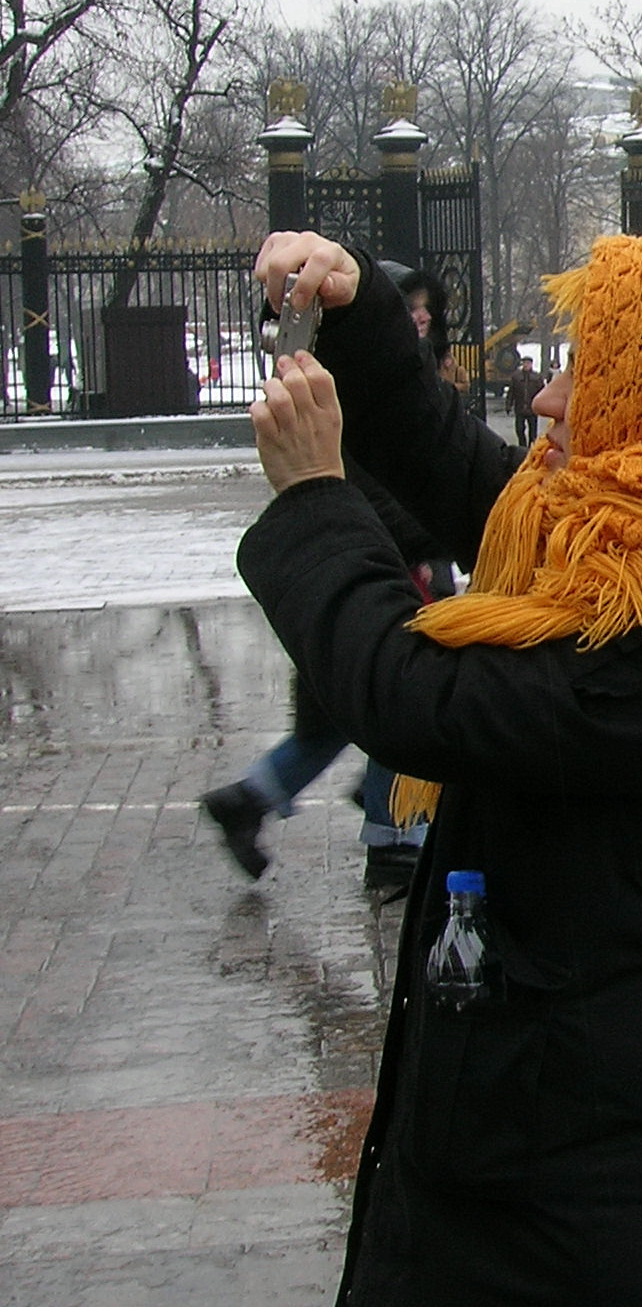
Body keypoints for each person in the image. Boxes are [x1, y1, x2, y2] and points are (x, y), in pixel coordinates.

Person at [237, 229, 642, 1304]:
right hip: (529, 1135)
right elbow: (453, 464)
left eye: (587, 372)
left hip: (576, 1199)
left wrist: (313, 502)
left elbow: (413, 695)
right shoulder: (636, 546)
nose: (547, 400)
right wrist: (355, 309)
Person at [201, 265, 459, 892]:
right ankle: (393, 836)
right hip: (386, 568)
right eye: (407, 308)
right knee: (398, 696)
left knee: (339, 716)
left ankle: (252, 797)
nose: (420, 317)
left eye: (425, 308)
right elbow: (371, 489)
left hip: (375, 568)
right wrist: (425, 543)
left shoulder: (411, 383)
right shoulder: (355, 396)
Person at [506, 355, 543, 447]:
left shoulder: (537, 377)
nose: (526, 365)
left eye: (528, 363)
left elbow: (542, 392)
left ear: (531, 364)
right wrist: (508, 405)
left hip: (532, 408)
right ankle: (522, 445)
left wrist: (541, 406)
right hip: (520, 407)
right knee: (519, 429)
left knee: (533, 431)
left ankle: (531, 446)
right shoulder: (516, 377)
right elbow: (511, 392)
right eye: (524, 363)